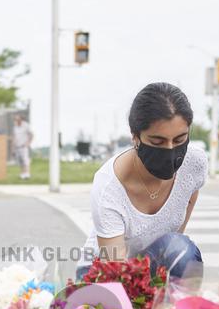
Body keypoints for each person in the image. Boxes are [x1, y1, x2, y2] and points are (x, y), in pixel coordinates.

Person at [76, 82, 207, 281]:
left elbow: (177, 232)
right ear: (135, 137)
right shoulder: (109, 186)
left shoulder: (194, 163)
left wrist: (169, 267)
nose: (170, 150)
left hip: (151, 264)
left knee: (181, 250)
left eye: (179, 140)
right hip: (103, 273)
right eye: (158, 142)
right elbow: (114, 272)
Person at [12, 114, 33, 180]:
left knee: (25, 160)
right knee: (20, 161)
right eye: (15, 119)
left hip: (24, 146)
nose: (16, 121)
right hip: (17, 146)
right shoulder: (15, 127)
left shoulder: (26, 125)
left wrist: (28, 143)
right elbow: (14, 137)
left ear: (21, 119)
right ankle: (22, 174)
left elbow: (31, 134)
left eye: (17, 119)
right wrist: (13, 147)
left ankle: (27, 174)